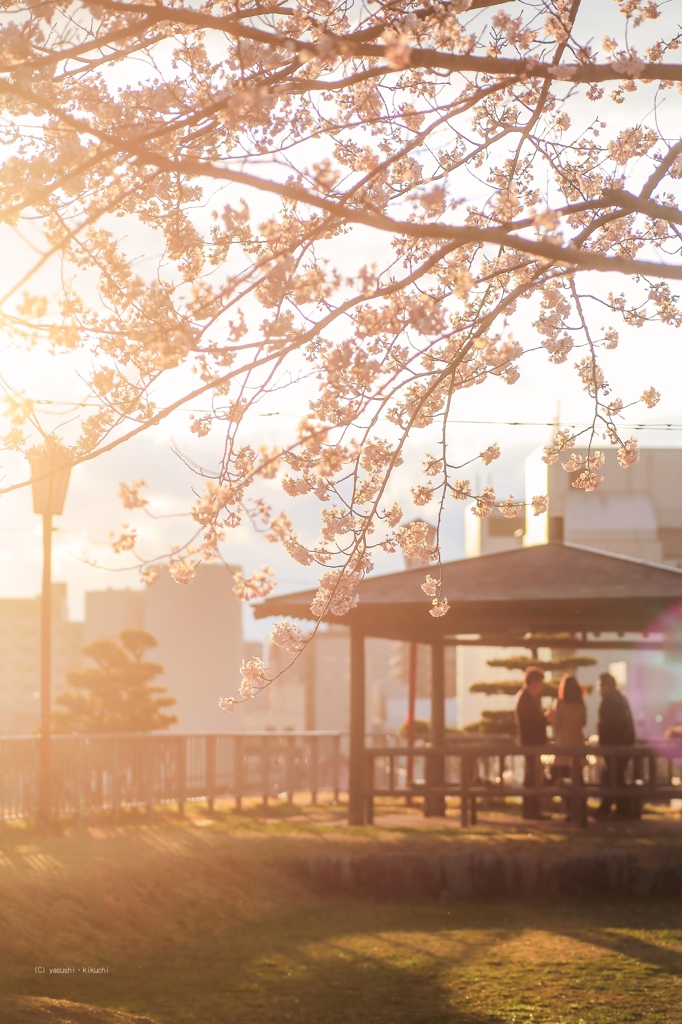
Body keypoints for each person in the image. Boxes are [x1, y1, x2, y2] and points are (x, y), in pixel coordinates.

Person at [595, 672, 636, 819]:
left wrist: (603, 744)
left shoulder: (608, 702)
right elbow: (628, 724)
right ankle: (623, 810)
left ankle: (607, 810)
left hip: (612, 746)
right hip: (624, 745)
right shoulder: (621, 699)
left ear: (605, 685)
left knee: (612, 778)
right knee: (616, 778)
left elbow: (606, 726)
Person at [550, 674, 587, 821]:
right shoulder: (581, 704)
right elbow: (583, 722)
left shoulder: (559, 703)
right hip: (578, 743)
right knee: (578, 778)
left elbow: (556, 724)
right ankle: (580, 809)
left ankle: (570, 809)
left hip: (563, 744)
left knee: (562, 779)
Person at [515, 667, 548, 820]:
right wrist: (545, 719)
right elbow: (532, 722)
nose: (541, 686)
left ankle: (531, 810)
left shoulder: (525, 697)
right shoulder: (526, 698)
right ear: (534, 682)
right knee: (532, 777)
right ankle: (531, 810)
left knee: (532, 775)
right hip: (531, 744)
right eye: (540, 682)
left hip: (530, 743)